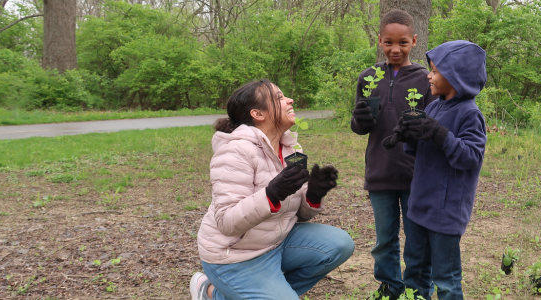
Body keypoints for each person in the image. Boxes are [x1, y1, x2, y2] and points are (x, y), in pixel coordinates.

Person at [189, 79, 355, 300]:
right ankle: (210, 293)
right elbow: (227, 222)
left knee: (340, 244)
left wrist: (314, 194)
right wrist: (271, 194)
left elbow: (298, 214)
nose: (290, 100)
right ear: (258, 114)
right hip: (236, 256)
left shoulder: (291, 148)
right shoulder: (235, 151)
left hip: (277, 241)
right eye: (279, 98)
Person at [384, 40, 487, 300]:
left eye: (435, 71)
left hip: (446, 211)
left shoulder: (470, 114)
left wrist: (440, 135)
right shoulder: (432, 107)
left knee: (446, 278)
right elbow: (421, 149)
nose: (429, 76)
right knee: (415, 271)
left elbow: (471, 157)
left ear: (455, 76)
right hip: (420, 205)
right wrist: (408, 135)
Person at [349, 9, 433, 300]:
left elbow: (434, 127)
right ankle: (390, 288)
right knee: (385, 239)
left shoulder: (425, 79)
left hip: (415, 175)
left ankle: (417, 290)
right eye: (388, 42)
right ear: (380, 41)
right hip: (379, 172)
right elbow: (358, 127)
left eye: (402, 43)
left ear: (414, 41)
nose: (395, 49)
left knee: (417, 239)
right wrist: (360, 119)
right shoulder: (368, 78)